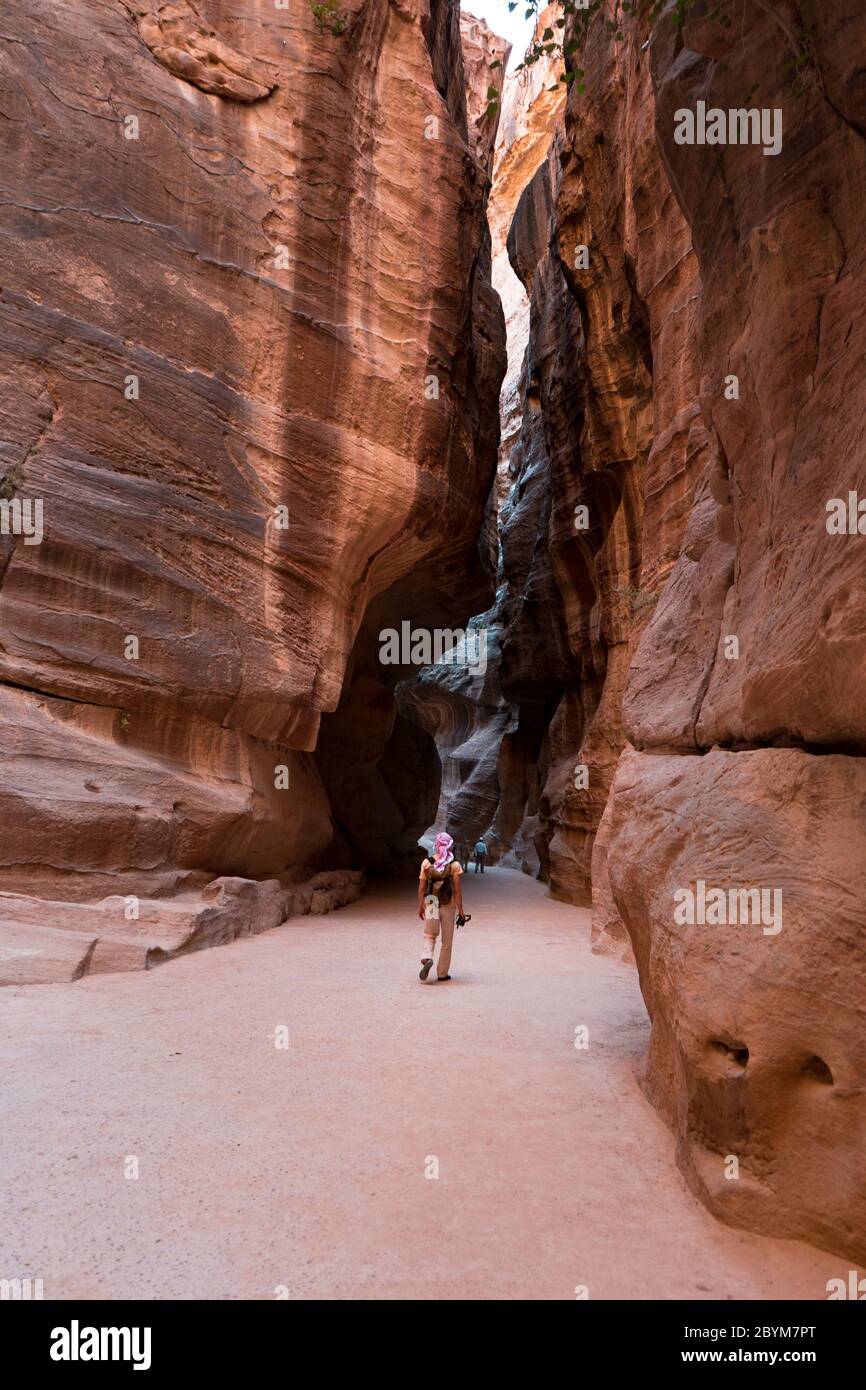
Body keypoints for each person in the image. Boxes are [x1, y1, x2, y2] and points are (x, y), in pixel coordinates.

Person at [418, 832, 465, 983]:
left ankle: (427, 957)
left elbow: (421, 889)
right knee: (447, 941)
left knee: (430, 935)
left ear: (437, 845)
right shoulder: (454, 865)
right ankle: (442, 973)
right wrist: (462, 912)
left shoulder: (427, 863)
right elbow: (457, 891)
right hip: (448, 905)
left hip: (431, 902)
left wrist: (421, 906)